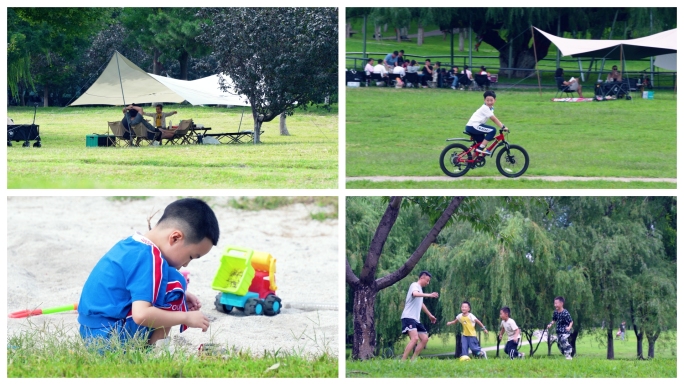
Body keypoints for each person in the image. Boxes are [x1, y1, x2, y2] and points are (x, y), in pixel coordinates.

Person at [77, 198, 220, 348]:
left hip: (92, 333)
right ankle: (156, 354)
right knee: (176, 281)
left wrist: (181, 294)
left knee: (173, 283)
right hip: (110, 339)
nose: (185, 264)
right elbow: (141, 315)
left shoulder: (132, 244)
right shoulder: (150, 258)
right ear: (175, 238)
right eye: (190, 257)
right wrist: (186, 317)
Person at [400, 271, 439, 361]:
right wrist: (429, 295)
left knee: (425, 339)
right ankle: (402, 361)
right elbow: (415, 294)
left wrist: (430, 315)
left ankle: (413, 360)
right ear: (422, 277)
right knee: (415, 338)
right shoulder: (414, 285)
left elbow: (421, 304)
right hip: (408, 317)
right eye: (427, 280)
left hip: (416, 319)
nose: (428, 283)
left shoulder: (420, 289)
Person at [465, 90, 509, 155]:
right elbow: (493, 119)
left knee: (482, 143)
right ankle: (480, 148)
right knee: (492, 130)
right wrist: (502, 126)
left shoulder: (491, 108)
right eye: (487, 100)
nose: (489, 102)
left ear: (495, 100)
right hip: (473, 126)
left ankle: (470, 162)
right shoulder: (485, 108)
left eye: (491, 100)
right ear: (484, 100)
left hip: (474, 126)